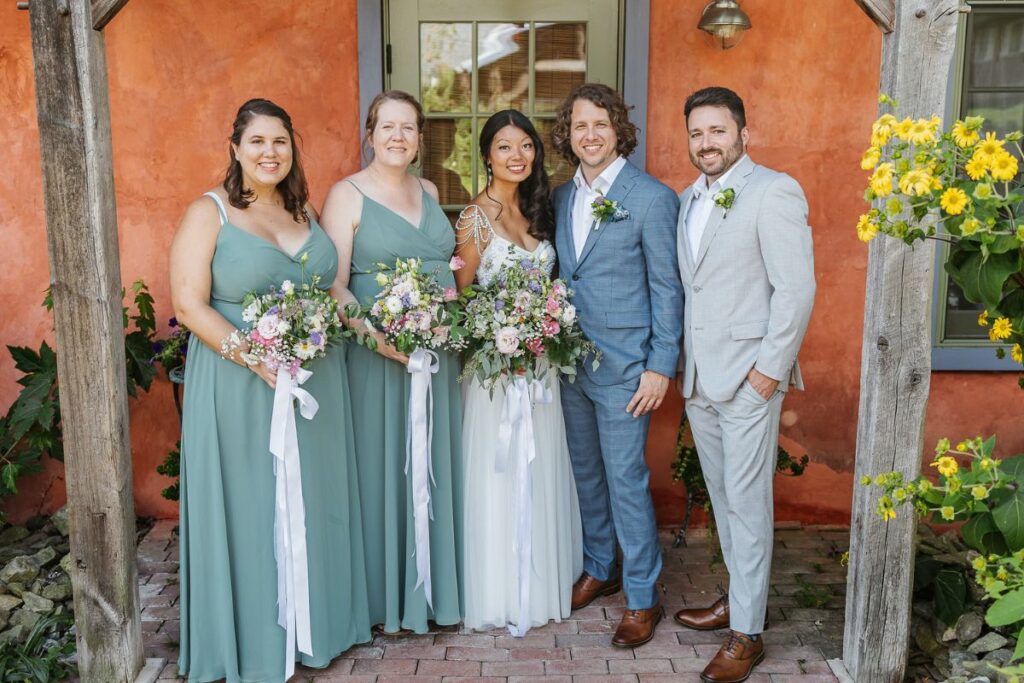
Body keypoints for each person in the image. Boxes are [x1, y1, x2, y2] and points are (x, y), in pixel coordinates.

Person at [170, 99, 370, 682]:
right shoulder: (209, 212)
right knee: (253, 505)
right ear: (235, 148)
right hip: (240, 384)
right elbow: (188, 303)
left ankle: (318, 628)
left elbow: (332, 291)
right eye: (257, 141)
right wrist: (256, 359)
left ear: (291, 148)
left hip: (315, 381)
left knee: (317, 500)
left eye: (280, 141)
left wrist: (383, 337)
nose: (269, 152)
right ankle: (255, 638)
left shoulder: (302, 209)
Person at [673, 86, 816, 683]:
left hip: (750, 379)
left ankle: (747, 635)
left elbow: (797, 289)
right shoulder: (687, 199)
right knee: (726, 501)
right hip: (702, 379)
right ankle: (738, 599)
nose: (707, 143)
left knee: (749, 505)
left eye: (718, 131)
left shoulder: (773, 191)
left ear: (742, 134)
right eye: (697, 134)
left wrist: (768, 372)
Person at [319, 90, 463, 634]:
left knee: (432, 465)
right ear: (370, 133)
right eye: (388, 126)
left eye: (408, 127)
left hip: (435, 354)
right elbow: (334, 282)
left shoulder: (429, 190)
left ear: (420, 138)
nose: (398, 136)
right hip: (379, 357)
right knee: (385, 469)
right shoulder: (347, 194)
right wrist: (374, 335)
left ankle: (433, 592)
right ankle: (385, 599)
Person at [550, 83, 684, 647]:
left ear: (618, 129)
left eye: (600, 124)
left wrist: (660, 365)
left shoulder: (651, 197)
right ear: (569, 134)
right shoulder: (560, 198)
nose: (590, 135)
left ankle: (642, 596)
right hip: (568, 362)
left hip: (628, 367)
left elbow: (667, 288)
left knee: (626, 479)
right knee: (586, 474)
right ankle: (600, 568)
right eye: (579, 126)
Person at [454, 109, 583, 635]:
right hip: (498, 376)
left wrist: (542, 332)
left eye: (525, 145)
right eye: (505, 146)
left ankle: (543, 578)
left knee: (543, 469)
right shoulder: (473, 217)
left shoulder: (540, 209)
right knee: (500, 474)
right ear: (487, 155)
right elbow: (462, 304)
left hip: (542, 371)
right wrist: (502, 340)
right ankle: (498, 589)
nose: (517, 155)